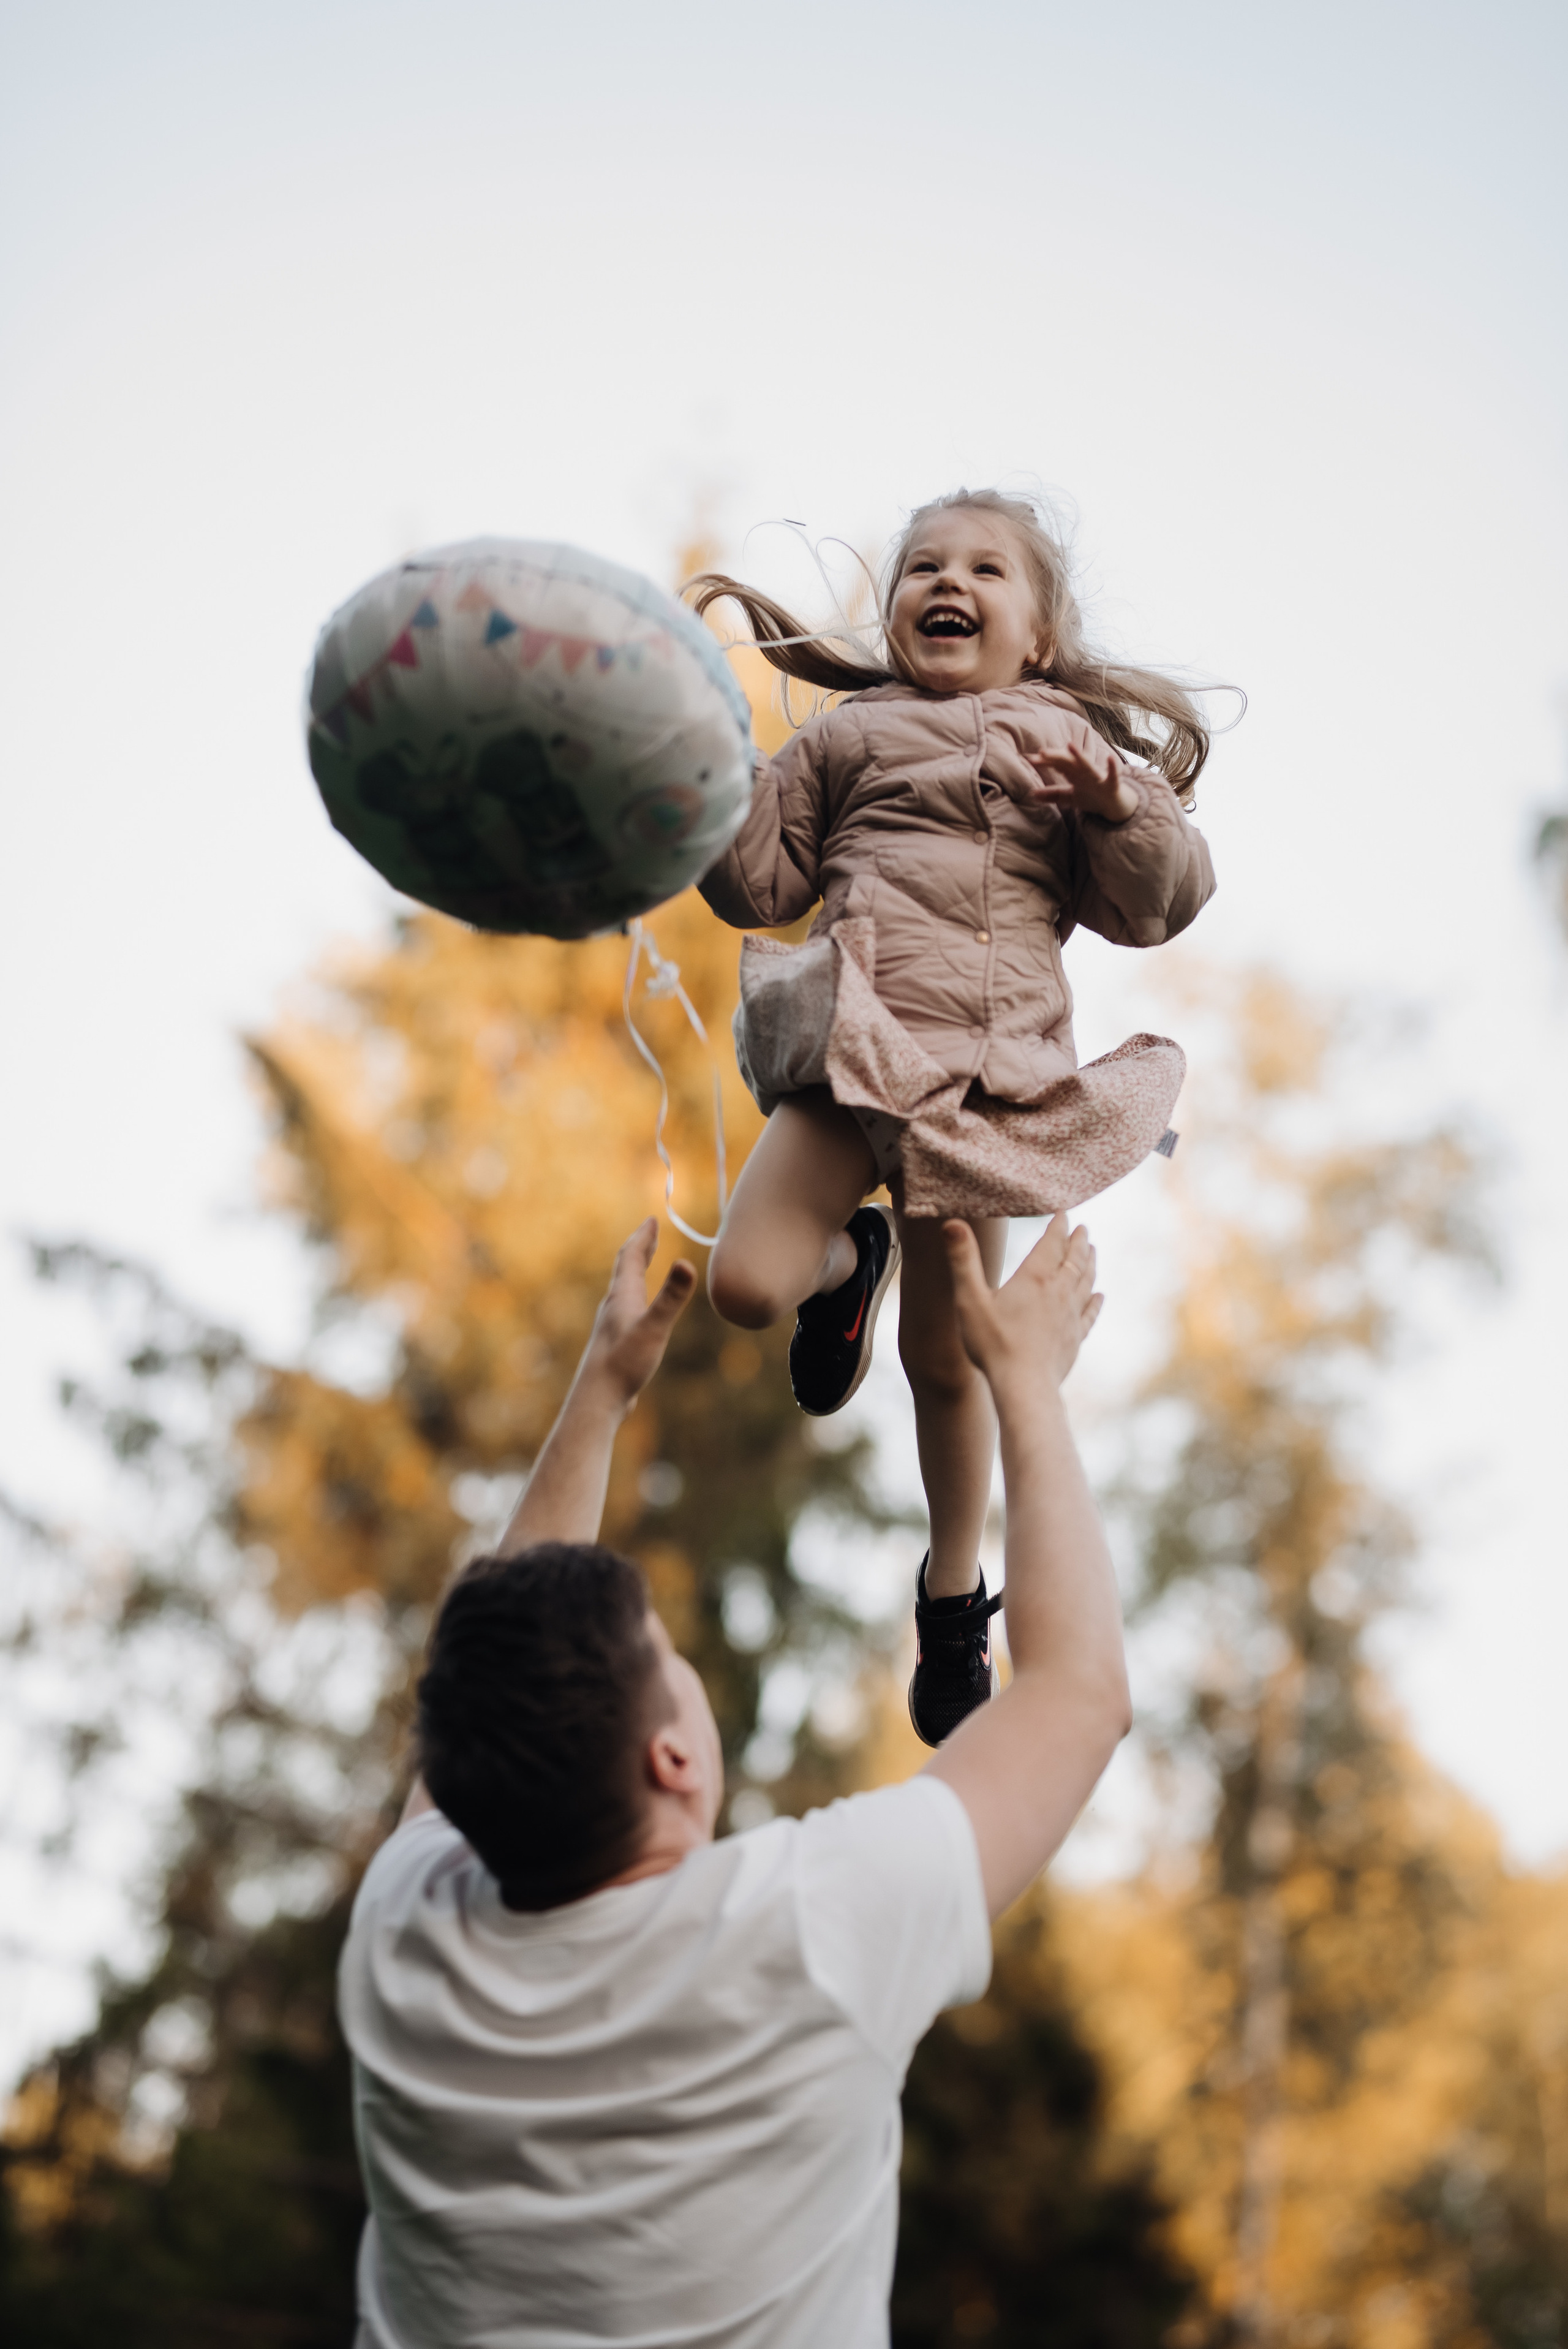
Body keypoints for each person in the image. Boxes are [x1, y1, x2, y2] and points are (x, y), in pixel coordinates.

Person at [338, 1212, 1131, 2349]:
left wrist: (603, 1394)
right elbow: (1082, 1692)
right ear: (672, 1758)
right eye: (671, 1658)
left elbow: (480, 1690)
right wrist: (1030, 1384)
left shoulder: (405, 1944)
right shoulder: (809, 1935)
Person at [689, 488, 1219, 1745]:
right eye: (923, 566)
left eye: (985, 570)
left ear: (1035, 635)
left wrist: (1112, 800)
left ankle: (949, 1594)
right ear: (893, 617)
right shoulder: (844, 738)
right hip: (848, 1056)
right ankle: (840, 1263)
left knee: (948, 1363)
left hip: (982, 1089)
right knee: (744, 1285)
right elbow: (757, 880)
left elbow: (1163, 902)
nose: (949, 583)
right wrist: (707, 782)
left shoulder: (1067, 746)